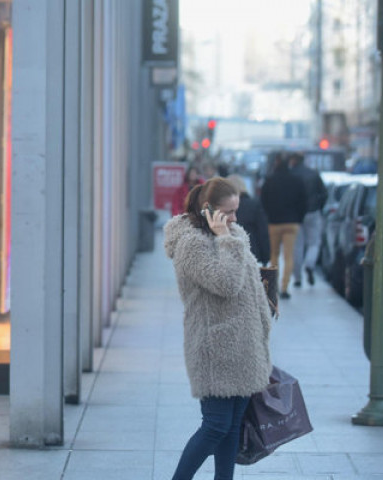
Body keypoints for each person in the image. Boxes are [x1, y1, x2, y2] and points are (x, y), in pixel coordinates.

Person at [163, 177, 273, 480]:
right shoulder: (191, 244)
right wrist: (225, 238)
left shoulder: (235, 235)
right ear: (209, 210)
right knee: (215, 426)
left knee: (232, 427)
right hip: (217, 347)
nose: (235, 219)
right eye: (229, 212)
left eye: (236, 211)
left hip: (245, 347)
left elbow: (248, 286)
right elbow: (226, 283)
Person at [260, 152, 307, 300]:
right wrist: (298, 218)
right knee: (289, 256)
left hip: (274, 223)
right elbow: (304, 202)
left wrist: (269, 217)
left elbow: (263, 201)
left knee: (274, 255)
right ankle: (285, 287)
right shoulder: (297, 180)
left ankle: (273, 287)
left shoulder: (269, 181)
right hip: (292, 223)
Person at [289, 152, 328, 288]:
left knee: (297, 246)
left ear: (293, 160)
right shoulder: (313, 173)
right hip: (313, 212)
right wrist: (319, 207)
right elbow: (324, 193)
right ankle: (310, 264)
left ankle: (297, 278)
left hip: (296, 215)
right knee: (314, 242)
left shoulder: (291, 174)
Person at [227, 174, 270, 265]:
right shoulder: (254, 205)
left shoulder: (223, 208)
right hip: (252, 254)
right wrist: (266, 257)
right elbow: (263, 232)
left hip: (229, 255)